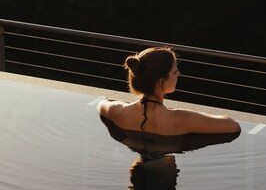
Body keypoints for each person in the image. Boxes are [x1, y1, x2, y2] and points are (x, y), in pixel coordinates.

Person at [98, 46, 241, 135]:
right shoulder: (180, 118)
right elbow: (233, 126)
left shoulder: (119, 112)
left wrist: (131, 105)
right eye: (174, 71)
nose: (179, 74)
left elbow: (103, 104)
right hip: (164, 173)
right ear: (162, 82)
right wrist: (194, 114)